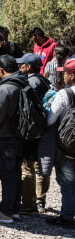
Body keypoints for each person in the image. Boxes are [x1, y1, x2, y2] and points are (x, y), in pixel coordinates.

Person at [0, 55, 27, 224]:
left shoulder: (5, 89)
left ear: (1, 70)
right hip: (20, 136)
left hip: (4, 137)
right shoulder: (24, 84)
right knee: (16, 174)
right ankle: (14, 209)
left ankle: (5, 213)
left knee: (7, 176)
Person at [17, 53, 52, 215]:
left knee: (28, 167)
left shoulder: (30, 83)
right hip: (43, 129)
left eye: (21, 64)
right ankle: (40, 202)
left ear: (28, 67)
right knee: (40, 168)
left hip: (31, 131)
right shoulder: (44, 80)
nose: (19, 67)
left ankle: (29, 204)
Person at [45, 59, 75, 229]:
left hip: (68, 148)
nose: (63, 75)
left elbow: (50, 120)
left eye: (65, 72)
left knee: (68, 184)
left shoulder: (65, 94)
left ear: (71, 75)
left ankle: (67, 217)